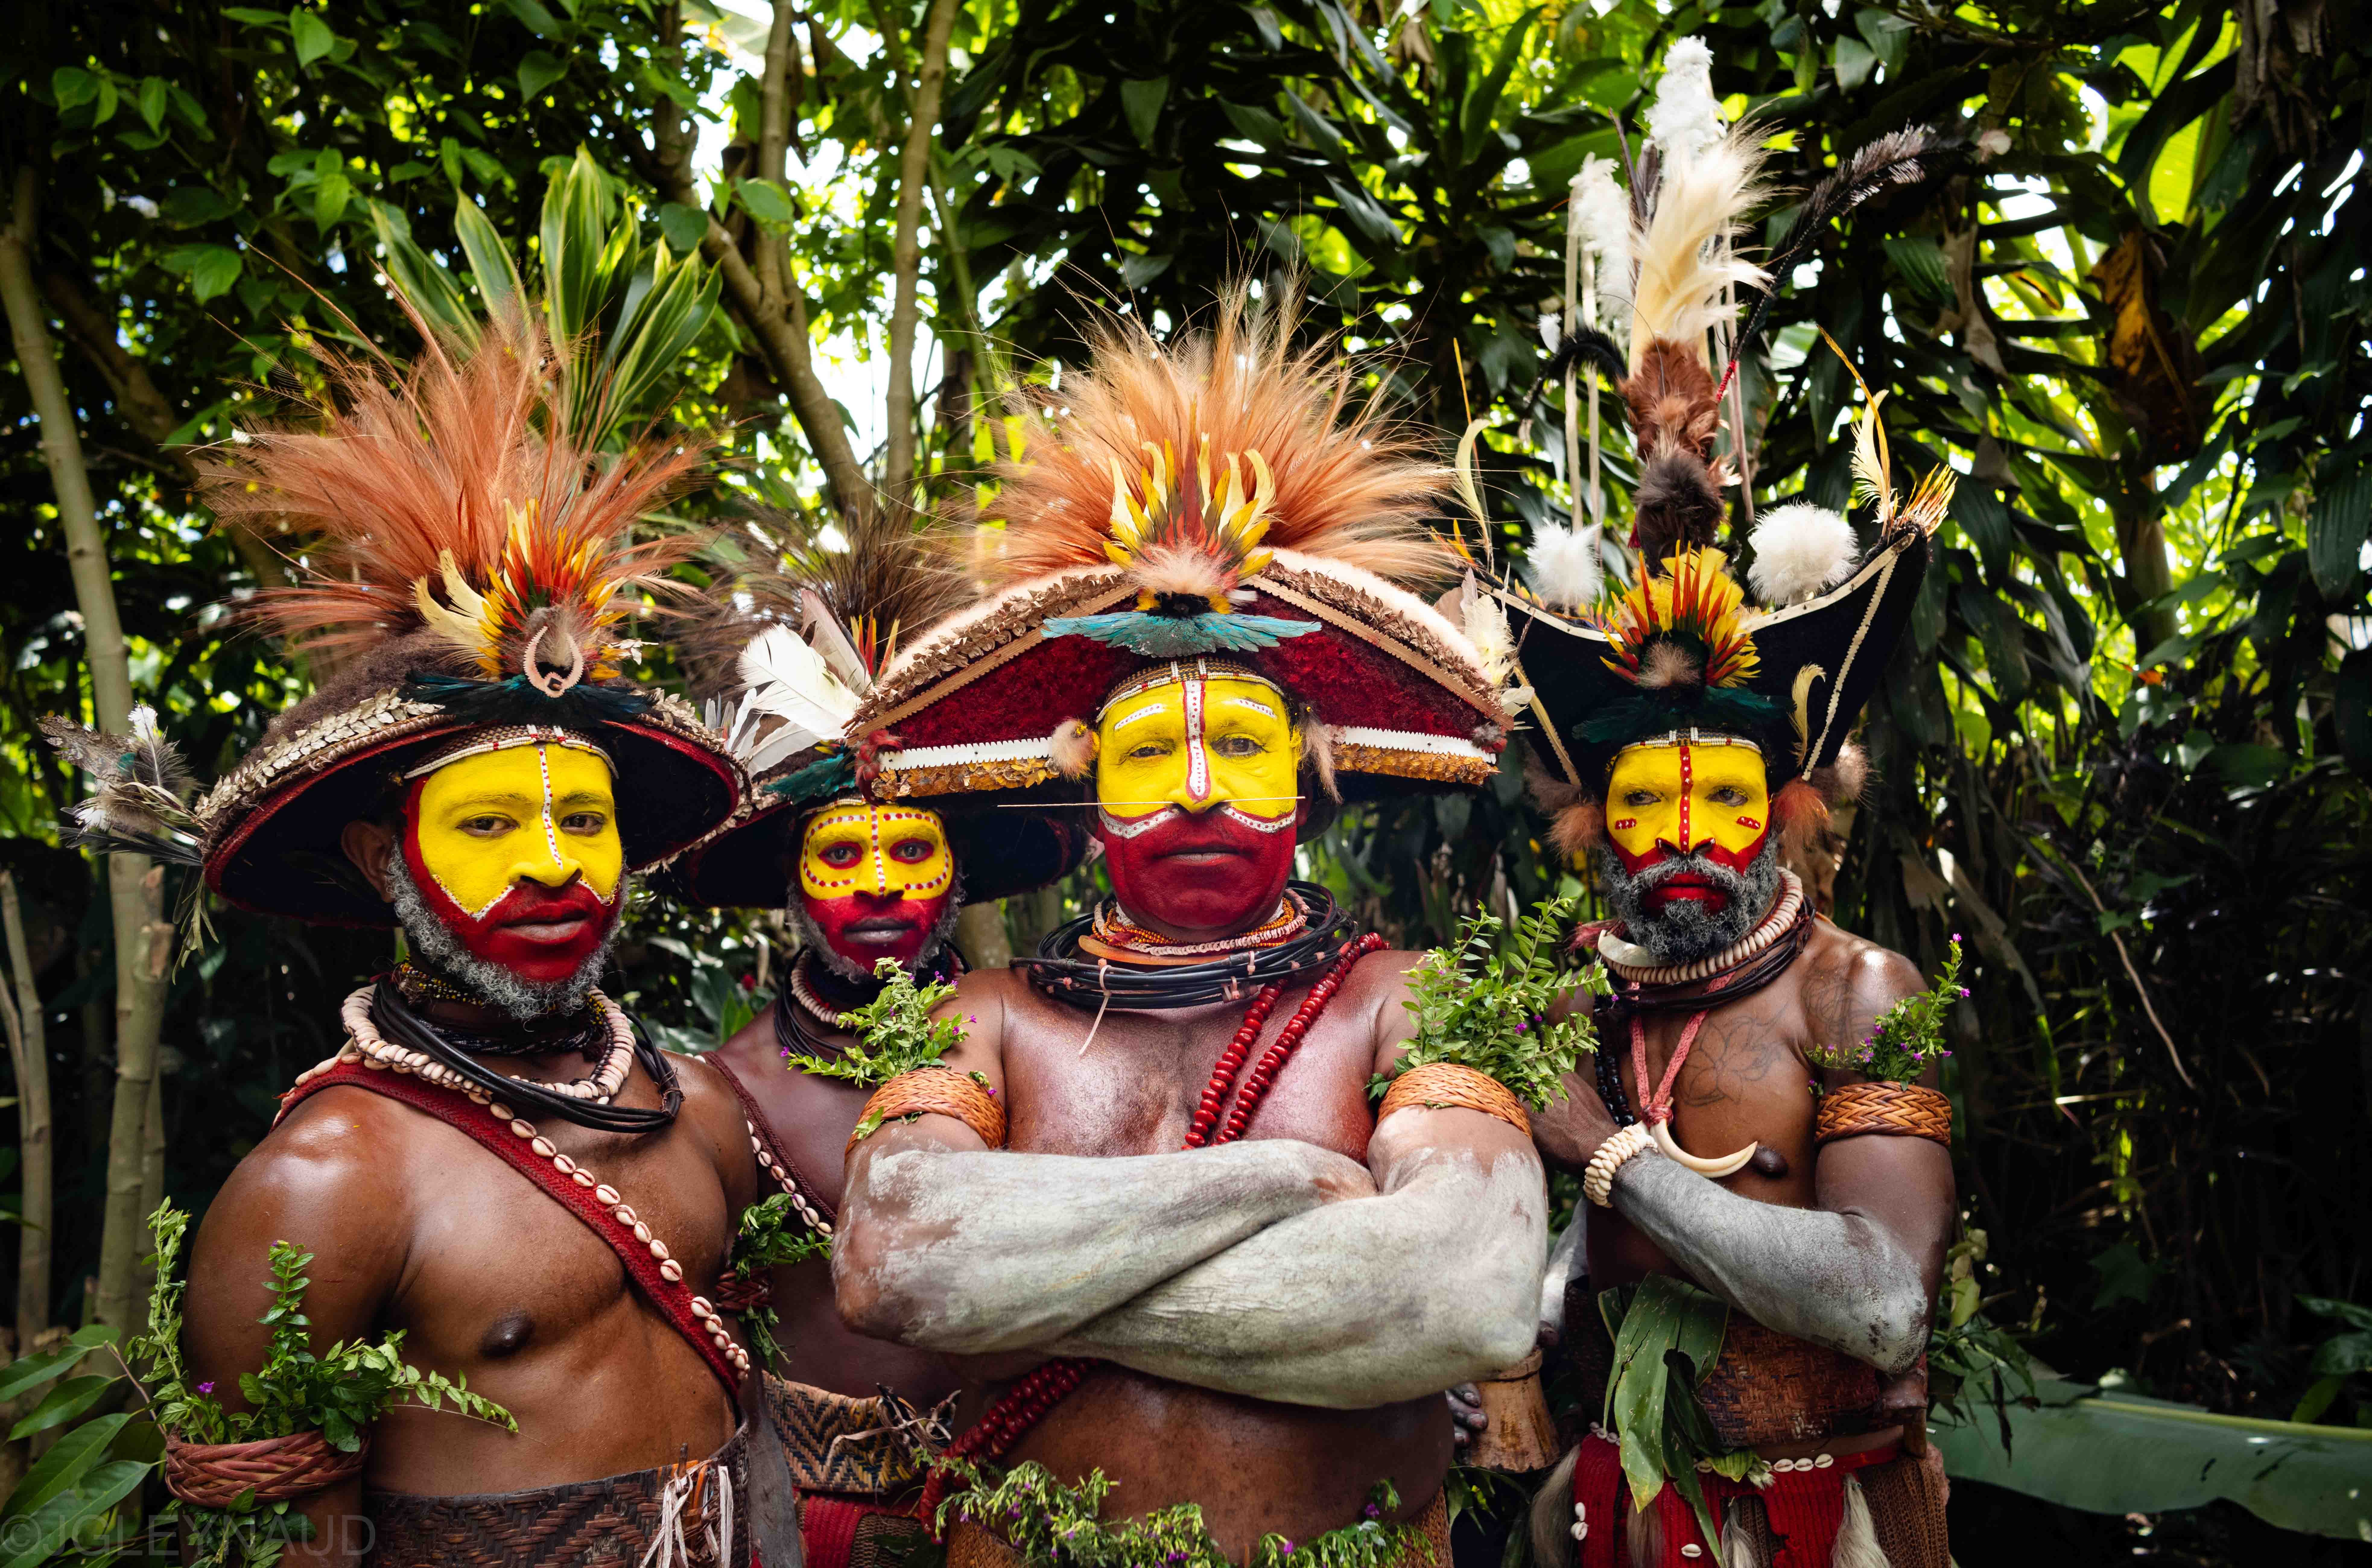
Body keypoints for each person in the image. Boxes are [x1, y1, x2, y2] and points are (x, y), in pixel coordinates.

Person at [57, 310, 790, 1565]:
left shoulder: (701, 1106)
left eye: (584, 818)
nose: (554, 860)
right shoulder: (329, 1184)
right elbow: (279, 1537)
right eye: (491, 822)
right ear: (379, 857)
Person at [825, 297, 1549, 1565]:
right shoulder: (985, 1013)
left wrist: (1038, 1293)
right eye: (1155, 752)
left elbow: (1462, 1295)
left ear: (1312, 777)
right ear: (1090, 787)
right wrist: (1281, 1183)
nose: (1201, 786)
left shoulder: (1403, 997)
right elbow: (893, 1265)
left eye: (1244, 749)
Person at [1500, 58, 1958, 1567]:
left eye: (1718, 795)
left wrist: (1613, 1158)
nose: (1685, 831)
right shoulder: (1569, 995)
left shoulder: (1852, 989)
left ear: (1783, 811)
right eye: (1643, 797)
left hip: (1821, 1517)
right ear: (1596, 821)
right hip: (1617, 1512)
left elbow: (1880, 1299)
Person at [668, 511, 1086, 1567]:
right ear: (790, 884)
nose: (883, 886)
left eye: (912, 848)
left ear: (958, 870)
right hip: (807, 1517)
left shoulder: (1048, 1041)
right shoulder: (728, 1091)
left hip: (1027, 1500)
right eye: (842, 855)